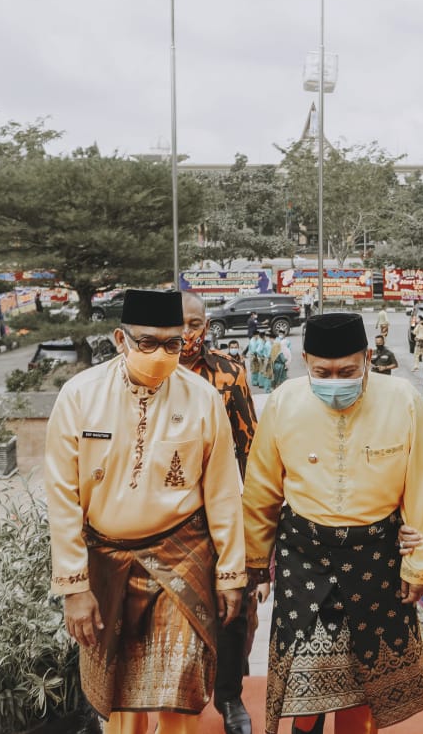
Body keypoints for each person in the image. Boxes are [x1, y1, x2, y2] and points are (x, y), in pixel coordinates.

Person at [44, 289, 246, 734]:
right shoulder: (80, 396)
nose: (160, 353)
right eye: (147, 342)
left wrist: (231, 574)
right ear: (121, 338)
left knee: (181, 684)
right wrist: (74, 587)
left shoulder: (203, 398)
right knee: (122, 698)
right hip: (106, 559)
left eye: (172, 343)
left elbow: (224, 493)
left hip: (181, 552)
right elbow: (62, 499)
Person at [243, 312, 423, 734]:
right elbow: (261, 489)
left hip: (378, 555)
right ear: (305, 360)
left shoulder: (404, 400)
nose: (335, 380)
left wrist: (420, 566)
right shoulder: (284, 401)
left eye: (348, 371)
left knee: (364, 678)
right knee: (306, 675)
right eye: (323, 372)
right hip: (305, 554)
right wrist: (255, 564)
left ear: (368, 357)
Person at [179, 292, 260, 734]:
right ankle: (176, 698)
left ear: (207, 325)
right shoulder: (152, 373)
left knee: (234, 605)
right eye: (179, 325)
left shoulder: (229, 373)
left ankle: (229, 697)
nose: (187, 334)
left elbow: (250, 449)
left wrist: (251, 522)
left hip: (222, 510)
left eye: (195, 324)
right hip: (169, 516)